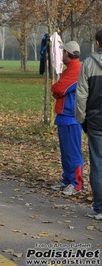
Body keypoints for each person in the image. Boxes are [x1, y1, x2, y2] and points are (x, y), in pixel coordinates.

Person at [50, 41, 83, 196]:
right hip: (65, 116)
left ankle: (76, 183)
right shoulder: (69, 69)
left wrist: (56, 89)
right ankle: (67, 179)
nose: (61, 54)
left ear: (68, 54)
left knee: (73, 152)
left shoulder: (75, 70)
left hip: (71, 116)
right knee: (65, 152)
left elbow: (59, 89)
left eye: (63, 52)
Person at [76, 29, 102, 220]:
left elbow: (81, 95)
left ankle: (99, 207)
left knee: (98, 164)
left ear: (97, 44)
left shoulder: (88, 64)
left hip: (95, 120)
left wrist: (81, 119)